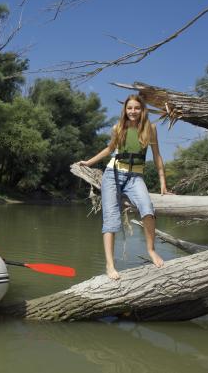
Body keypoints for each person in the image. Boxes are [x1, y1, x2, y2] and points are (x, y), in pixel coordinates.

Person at [78, 94, 171, 280]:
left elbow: (157, 155)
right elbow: (109, 150)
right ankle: (110, 265)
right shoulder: (118, 127)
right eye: (130, 108)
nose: (133, 111)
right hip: (113, 174)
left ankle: (151, 250)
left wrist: (162, 182)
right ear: (125, 110)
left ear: (142, 110)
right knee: (111, 219)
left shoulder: (150, 129)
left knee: (147, 210)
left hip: (136, 177)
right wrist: (88, 162)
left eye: (137, 108)